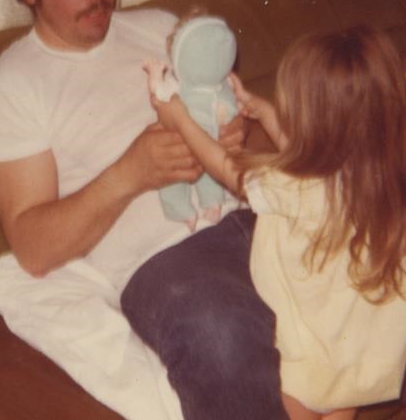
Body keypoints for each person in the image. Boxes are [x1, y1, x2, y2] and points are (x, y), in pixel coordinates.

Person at [0, 0, 287, 418]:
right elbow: (33, 247)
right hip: (167, 263)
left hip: (260, 217)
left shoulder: (161, 29)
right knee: (221, 335)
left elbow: (259, 150)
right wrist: (132, 173)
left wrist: (236, 136)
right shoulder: (8, 86)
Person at [149, 25, 406, 419]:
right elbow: (320, 162)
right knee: (341, 402)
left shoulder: (289, 186)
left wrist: (181, 119)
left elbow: (225, 167)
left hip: (309, 351)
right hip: (358, 349)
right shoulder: (380, 177)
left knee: (293, 402)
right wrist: (267, 114)